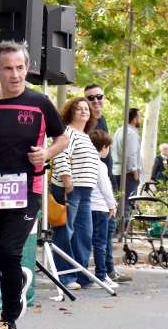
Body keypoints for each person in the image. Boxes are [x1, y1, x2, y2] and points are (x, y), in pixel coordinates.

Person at [0, 40, 67, 329]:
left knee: (10, 252)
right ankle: (18, 280)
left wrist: (46, 153)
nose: (15, 74)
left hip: (27, 189)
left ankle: (8, 323)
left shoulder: (40, 103)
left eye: (20, 67)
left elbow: (62, 138)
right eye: (8, 68)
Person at [50, 97, 100, 289]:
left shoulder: (86, 135)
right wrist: (67, 181)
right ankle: (67, 277)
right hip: (70, 189)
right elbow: (61, 155)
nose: (83, 111)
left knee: (84, 234)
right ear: (71, 112)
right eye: (78, 109)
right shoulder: (67, 132)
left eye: (86, 109)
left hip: (85, 192)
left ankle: (83, 276)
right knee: (65, 232)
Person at [88, 129, 118, 289]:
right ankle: (101, 274)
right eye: (108, 147)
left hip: (89, 207)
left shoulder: (88, 163)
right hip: (101, 208)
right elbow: (106, 188)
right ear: (103, 147)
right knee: (101, 243)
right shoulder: (100, 166)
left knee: (92, 242)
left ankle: (97, 273)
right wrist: (112, 204)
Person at [111, 107, 142, 219]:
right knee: (126, 204)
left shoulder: (119, 130)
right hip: (127, 174)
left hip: (117, 171)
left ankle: (117, 230)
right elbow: (131, 154)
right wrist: (135, 172)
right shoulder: (131, 133)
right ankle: (122, 231)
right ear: (134, 119)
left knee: (119, 202)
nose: (141, 119)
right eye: (140, 117)